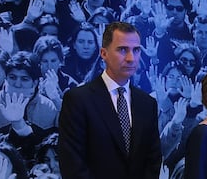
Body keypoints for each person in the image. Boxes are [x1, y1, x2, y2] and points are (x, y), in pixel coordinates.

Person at [58, 21, 162, 178]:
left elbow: (152, 160)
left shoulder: (147, 103)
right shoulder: (77, 100)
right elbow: (72, 163)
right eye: (122, 50)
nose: (130, 58)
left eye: (136, 50)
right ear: (104, 53)